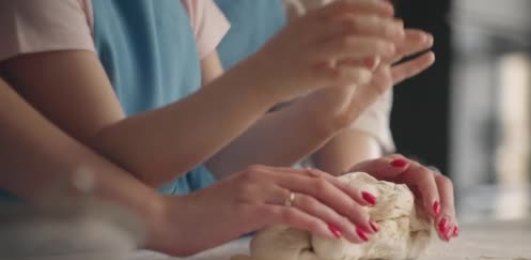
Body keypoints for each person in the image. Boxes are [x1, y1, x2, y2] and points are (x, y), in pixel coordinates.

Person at [0, 0, 457, 244]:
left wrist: (325, 115)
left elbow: (222, 155)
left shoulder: (187, 4)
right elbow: (115, 161)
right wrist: (264, 77)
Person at [0, 78, 456, 257]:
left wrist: (350, 186)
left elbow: (223, 151)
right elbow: (118, 154)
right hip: (58, 255)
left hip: (207, 251)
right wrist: (164, 217)